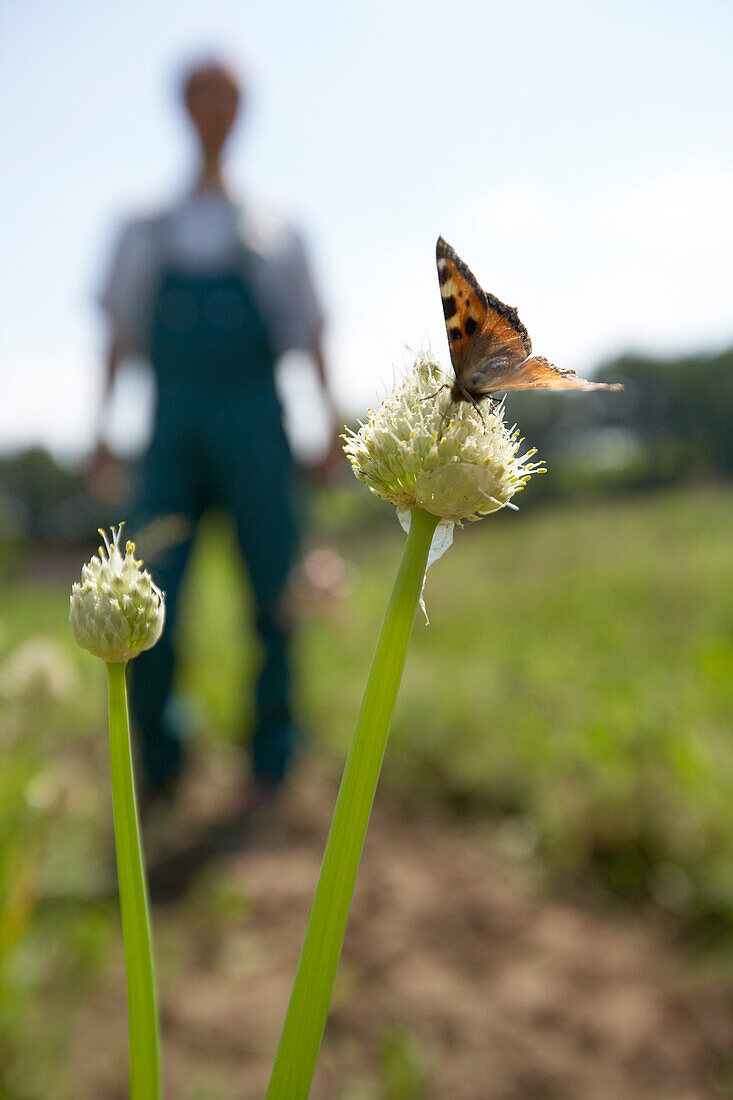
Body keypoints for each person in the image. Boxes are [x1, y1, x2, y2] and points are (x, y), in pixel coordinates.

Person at [95, 59, 340, 807]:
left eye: (225, 100)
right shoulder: (143, 230)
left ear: (240, 111)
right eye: (200, 99)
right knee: (149, 591)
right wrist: (101, 430)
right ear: (182, 109)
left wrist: (330, 427)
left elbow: (310, 331)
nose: (213, 113)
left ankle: (273, 753)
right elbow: (119, 333)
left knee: (277, 593)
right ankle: (162, 763)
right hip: (170, 431)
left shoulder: (277, 231)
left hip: (259, 432)